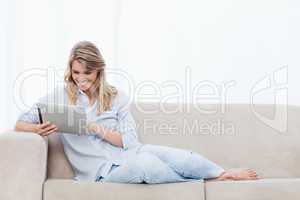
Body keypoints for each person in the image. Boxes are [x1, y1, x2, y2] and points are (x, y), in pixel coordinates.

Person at [15, 41, 259, 183]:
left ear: (98, 72)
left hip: (130, 152)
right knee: (146, 166)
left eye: (86, 73)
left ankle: (223, 173)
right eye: (76, 72)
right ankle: (211, 182)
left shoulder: (116, 97)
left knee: (182, 157)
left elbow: (128, 141)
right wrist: (38, 129)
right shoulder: (58, 97)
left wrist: (95, 127)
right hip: (101, 172)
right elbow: (19, 124)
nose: (80, 79)